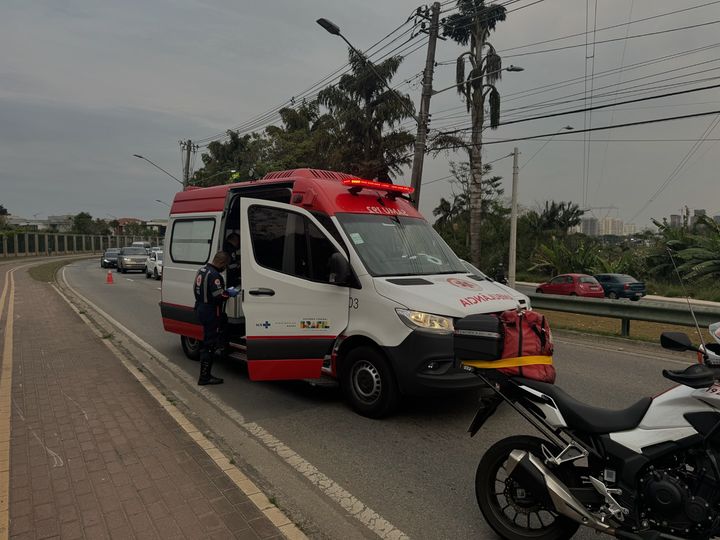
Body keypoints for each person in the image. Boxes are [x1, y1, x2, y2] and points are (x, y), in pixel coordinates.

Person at [193, 251, 239, 385]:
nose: (225, 268)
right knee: (209, 344)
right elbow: (219, 296)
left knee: (219, 328)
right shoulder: (215, 276)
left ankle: (223, 346)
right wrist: (229, 293)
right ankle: (205, 377)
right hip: (210, 311)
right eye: (225, 265)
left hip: (201, 307)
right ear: (221, 263)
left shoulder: (201, 270)